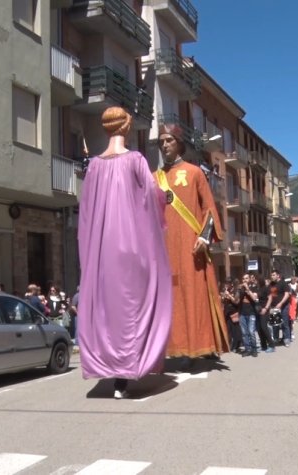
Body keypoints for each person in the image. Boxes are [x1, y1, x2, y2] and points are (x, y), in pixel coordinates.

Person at [77, 106, 172, 399]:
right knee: (136, 306)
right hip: (131, 248)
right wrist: (165, 199)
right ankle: (128, 370)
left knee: (108, 310)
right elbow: (152, 196)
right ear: (127, 127)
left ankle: (113, 370)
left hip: (103, 250)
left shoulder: (93, 166)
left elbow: (86, 213)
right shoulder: (135, 160)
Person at [155, 124, 229, 365]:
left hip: (190, 245)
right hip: (163, 248)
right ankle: (168, 349)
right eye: (161, 141)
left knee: (192, 296)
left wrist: (204, 236)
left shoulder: (195, 172)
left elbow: (209, 207)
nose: (164, 145)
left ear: (179, 144)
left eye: (168, 140)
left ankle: (197, 348)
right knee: (168, 300)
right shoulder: (154, 178)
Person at [264, 270, 292, 346]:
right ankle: (276, 339)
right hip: (274, 307)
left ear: (278, 275)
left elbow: (287, 294)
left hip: (283, 306)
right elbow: (269, 294)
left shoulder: (283, 283)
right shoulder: (271, 284)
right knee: (275, 324)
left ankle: (286, 339)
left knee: (284, 323)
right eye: (271, 275)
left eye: (273, 275)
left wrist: (281, 303)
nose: (272, 276)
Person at [237, 274, 259, 357]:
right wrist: (238, 290)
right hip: (242, 313)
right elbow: (237, 300)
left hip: (251, 313)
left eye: (246, 278)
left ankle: (254, 349)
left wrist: (247, 289)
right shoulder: (241, 289)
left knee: (251, 331)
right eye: (243, 278)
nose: (244, 280)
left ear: (249, 279)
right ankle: (247, 349)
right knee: (244, 333)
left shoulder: (254, 287)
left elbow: (254, 298)